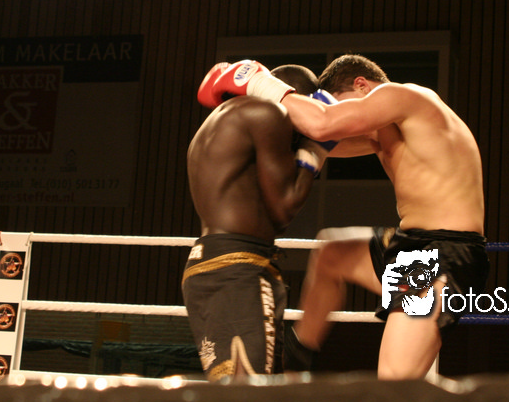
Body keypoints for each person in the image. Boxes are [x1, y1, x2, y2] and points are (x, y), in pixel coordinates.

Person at [198, 54, 489, 379]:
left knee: (395, 379)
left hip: (443, 253)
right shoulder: (389, 131)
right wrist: (253, 116)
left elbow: (323, 123)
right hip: (411, 246)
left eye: (341, 104)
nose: (344, 113)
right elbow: (321, 138)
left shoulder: (403, 95)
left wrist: (255, 81)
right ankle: (296, 360)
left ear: (361, 85)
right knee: (331, 254)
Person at [183, 64, 334, 382]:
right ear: (298, 98)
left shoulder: (222, 120)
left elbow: (270, 219)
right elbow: (285, 207)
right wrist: (315, 151)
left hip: (210, 263)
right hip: (239, 269)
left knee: (241, 390)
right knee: (247, 391)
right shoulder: (270, 113)